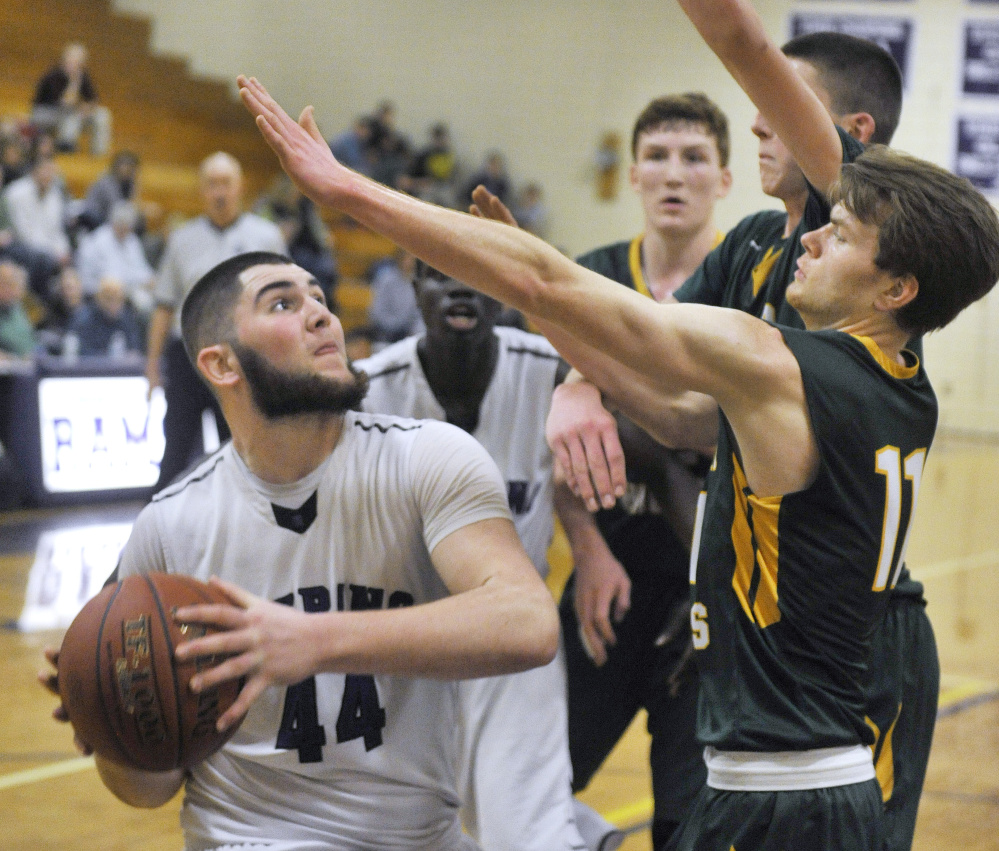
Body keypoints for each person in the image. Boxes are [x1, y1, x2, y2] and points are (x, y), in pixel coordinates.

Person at [236, 73, 999, 850]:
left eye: (838, 237)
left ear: (896, 288)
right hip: (799, 777)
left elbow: (546, 275)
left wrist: (343, 189)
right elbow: (671, 411)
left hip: (781, 795)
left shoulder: (779, 365)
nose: (805, 237)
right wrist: (546, 307)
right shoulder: (899, 388)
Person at [547, 13, 932, 850]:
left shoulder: (867, 219)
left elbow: (741, 41)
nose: (756, 118)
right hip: (747, 598)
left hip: (849, 623)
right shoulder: (760, 241)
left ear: (845, 134)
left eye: (776, 102)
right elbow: (662, 368)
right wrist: (577, 378)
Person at [41, 251, 559, 849]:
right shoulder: (170, 524)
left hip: (418, 836)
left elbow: (527, 621)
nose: (323, 317)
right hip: (246, 838)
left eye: (320, 298)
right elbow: (146, 791)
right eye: (284, 304)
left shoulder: (428, 459)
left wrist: (310, 641)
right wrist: (114, 719)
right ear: (221, 364)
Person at [526, 92, 731, 850]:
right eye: (657, 156)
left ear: (724, 178)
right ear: (634, 174)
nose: (673, 173)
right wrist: (584, 546)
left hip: (708, 581)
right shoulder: (592, 278)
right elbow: (557, 450)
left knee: (687, 817)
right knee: (532, 778)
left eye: (693, 157)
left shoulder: (750, 281)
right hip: (608, 568)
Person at [355, 260, 590, 851]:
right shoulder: (368, 388)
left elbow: (652, 442)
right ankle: (594, 833)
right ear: (413, 292)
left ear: (503, 294)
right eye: (439, 274)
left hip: (513, 642)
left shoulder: (553, 369)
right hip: (407, 645)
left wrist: (593, 551)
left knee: (522, 836)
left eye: (475, 272)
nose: (459, 286)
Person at [146, 151, 285, 493]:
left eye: (226, 183)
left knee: (247, 448)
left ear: (240, 188)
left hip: (246, 354)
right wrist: (152, 365)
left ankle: (256, 525)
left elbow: (286, 302)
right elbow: (164, 305)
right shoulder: (181, 239)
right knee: (176, 448)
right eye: (212, 184)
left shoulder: (267, 236)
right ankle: (158, 531)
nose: (219, 191)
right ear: (202, 191)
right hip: (189, 356)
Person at [31, 43, 111, 156]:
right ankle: (66, 147)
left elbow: (93, 99)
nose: (74, 64)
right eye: (72, 60)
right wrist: (74, 82)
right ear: (64, 60)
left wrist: (88, 107)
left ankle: (99, 154)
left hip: (70, 113)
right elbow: (65, 102)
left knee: (102, 114)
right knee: (72, 114)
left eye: (78, 62)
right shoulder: (53, 75)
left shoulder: (83, 75)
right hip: (45, 113)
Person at [76, 201, 156, 312]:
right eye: (122, 227)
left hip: (130, 288)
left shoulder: (131, 240)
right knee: (142, 305)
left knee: (154, 300)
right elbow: (109, 276)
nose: (126, 232)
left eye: (129, 228)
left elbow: (141, 268)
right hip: (103, 292)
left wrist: (150, 279)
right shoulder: (97, 241)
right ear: (115, 223)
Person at [2, 147, 72, 274]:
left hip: (48, 250)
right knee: (41, 259)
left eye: (51, 171)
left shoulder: (55, 195)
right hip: (20, 245)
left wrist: (62, 251)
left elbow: (57, 230)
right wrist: (52, 253)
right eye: (44, 170)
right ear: (34, 172)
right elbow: (24, 232)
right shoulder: (17, 193)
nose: (48, 175)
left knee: (70, 258)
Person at [67, 276, 143, 357]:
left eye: (118, 299)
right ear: (99, 298)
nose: (114, 303)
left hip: (121, 368)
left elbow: (135, 347)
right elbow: (83, 352)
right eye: (109, 298)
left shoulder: (127, 318)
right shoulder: (84, 318)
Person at [0, 260, 35, 359]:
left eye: (14, 284)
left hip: (24, 366)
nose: (12, 289)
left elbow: (29, 341)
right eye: (7, 283)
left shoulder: (18, 308)